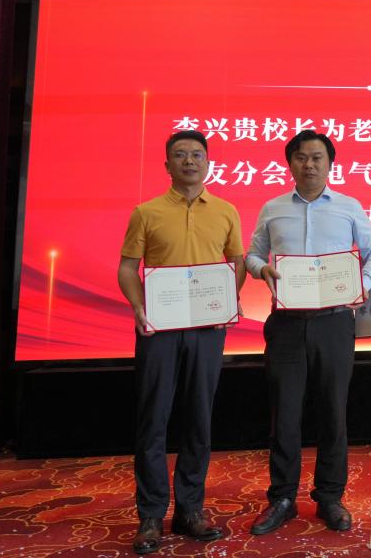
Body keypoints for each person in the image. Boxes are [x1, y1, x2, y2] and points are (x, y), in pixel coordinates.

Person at [246, 130, 371, 535]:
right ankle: (282, 498)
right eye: (301, 157)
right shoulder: (273, 208)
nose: (309, 164)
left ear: (330, 164)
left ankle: (330, 497)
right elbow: (253, 253)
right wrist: (261, 268)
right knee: (285, 413)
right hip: (287, 323)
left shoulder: (348, 206)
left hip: (334, 321)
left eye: (317, 158)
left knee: (333, 412)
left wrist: (362, 285)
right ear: (290, 163)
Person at [117, 130, 246, 554]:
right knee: (153, 419)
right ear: (167, 165)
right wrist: (139, 307)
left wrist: (226, 302)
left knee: (199, 419)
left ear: (208, 163)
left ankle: (190, 509)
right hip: (160, 330)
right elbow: (127, 267)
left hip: (207, 330)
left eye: (197, 154)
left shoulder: (226, 211)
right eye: (180, 155)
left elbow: (237, 262)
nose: (189, 161)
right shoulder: (147, 212)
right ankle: (151, 514)